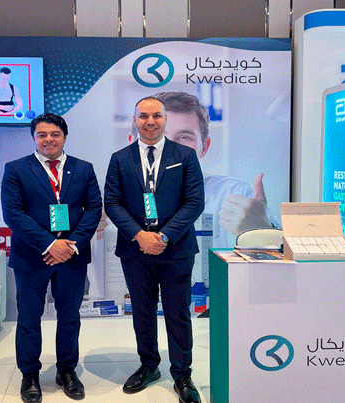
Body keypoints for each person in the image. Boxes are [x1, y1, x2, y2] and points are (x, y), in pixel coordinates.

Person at [104, 97, 204, 403]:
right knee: (142, 311)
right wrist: (139, 235)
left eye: (156, 116)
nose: (150, 121)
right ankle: (149, 366)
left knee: (177, 313)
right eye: (144, 116)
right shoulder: (120, 158)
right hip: (136, 250)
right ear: (135, 120)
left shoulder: (185, 155)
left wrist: (163, 236)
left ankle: (182, 375)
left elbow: (195, 202)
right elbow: (112, 202)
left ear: (164, 120)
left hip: (175, 248)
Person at [1, 113, 102, 402]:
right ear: (34, 138)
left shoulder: (83, 168)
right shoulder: (16, 169)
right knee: (29, 317)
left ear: (64, 137)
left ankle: (67, 371)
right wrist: (49, 244)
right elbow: (13, 213)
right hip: (31, 257)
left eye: (55, 134)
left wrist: (70, 246)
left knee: (69, 316)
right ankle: (29, 374)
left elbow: (94, 208)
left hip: (72, 256)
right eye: (42, 134)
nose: (49, 139)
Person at [148, 91, 278, 248]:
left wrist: (261, 233)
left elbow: (286, 258)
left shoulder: (237, 196)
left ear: (204, 147)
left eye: (184, 137)